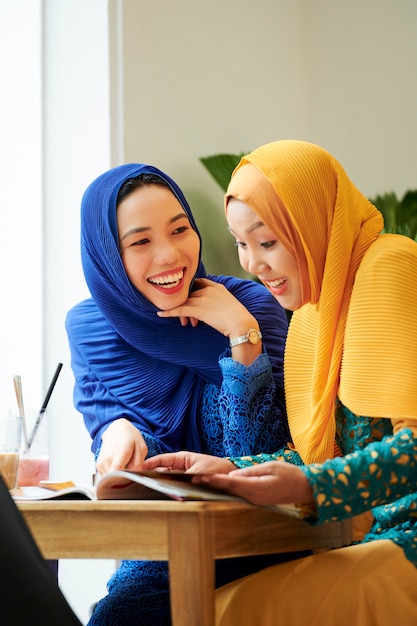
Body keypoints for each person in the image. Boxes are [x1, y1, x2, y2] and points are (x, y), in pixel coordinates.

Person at [144, 140, 417, 625]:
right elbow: (326, 456)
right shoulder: (313, 316)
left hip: (407, 547)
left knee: (222, 613)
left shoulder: (390, 265)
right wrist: (231, 468)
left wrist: (309, 485)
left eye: (267, 241)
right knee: (207, 609)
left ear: (314, 224)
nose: (251, 264)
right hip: (373, 543)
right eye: (241, 244)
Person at [65, 163, 301, 625]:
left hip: (263, 536)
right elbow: (123, 463)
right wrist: (116, 433)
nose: (170, 255)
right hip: (165, 547)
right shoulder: (91, 329)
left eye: (180, 230)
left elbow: (261, 458)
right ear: (108, 256)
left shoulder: (251, 307)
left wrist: (241, 336)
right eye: (141, 242)